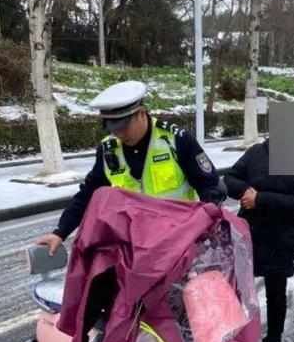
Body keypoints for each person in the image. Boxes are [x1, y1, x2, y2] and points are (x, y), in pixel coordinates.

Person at [36, 80, 225, 253]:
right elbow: (88, 195)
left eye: (124, 127)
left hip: (179, 243)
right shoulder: (109, 151)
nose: (119, 134)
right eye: (113, 129)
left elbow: (209, 186)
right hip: (133, 248)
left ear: (141, 114)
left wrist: (206, 226)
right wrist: (60, 232)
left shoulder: (176, 140)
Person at [223, 138, 294, 342]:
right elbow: (230, 178)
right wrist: (245, 192)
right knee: (238, 292)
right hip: (249, 232)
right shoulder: (256, 152)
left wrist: (259, 199)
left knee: (276, 296)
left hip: (281, 237)